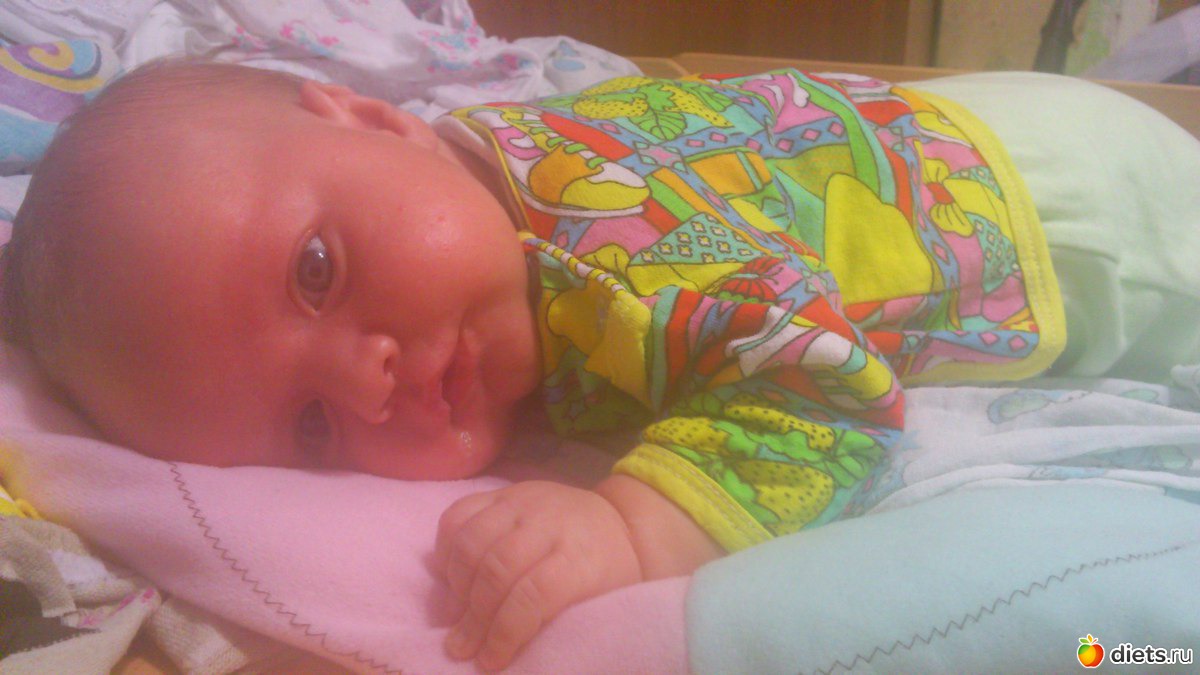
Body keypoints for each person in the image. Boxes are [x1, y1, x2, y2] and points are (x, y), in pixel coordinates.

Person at [2, 59, 1196, 670]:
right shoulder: (472, 205)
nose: (365, 382)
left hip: (1088, 219)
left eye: (318, 269)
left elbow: (828, 381)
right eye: (312, 426)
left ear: (374, 118)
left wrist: (632, 524)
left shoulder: (620, 264)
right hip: (963, 125)